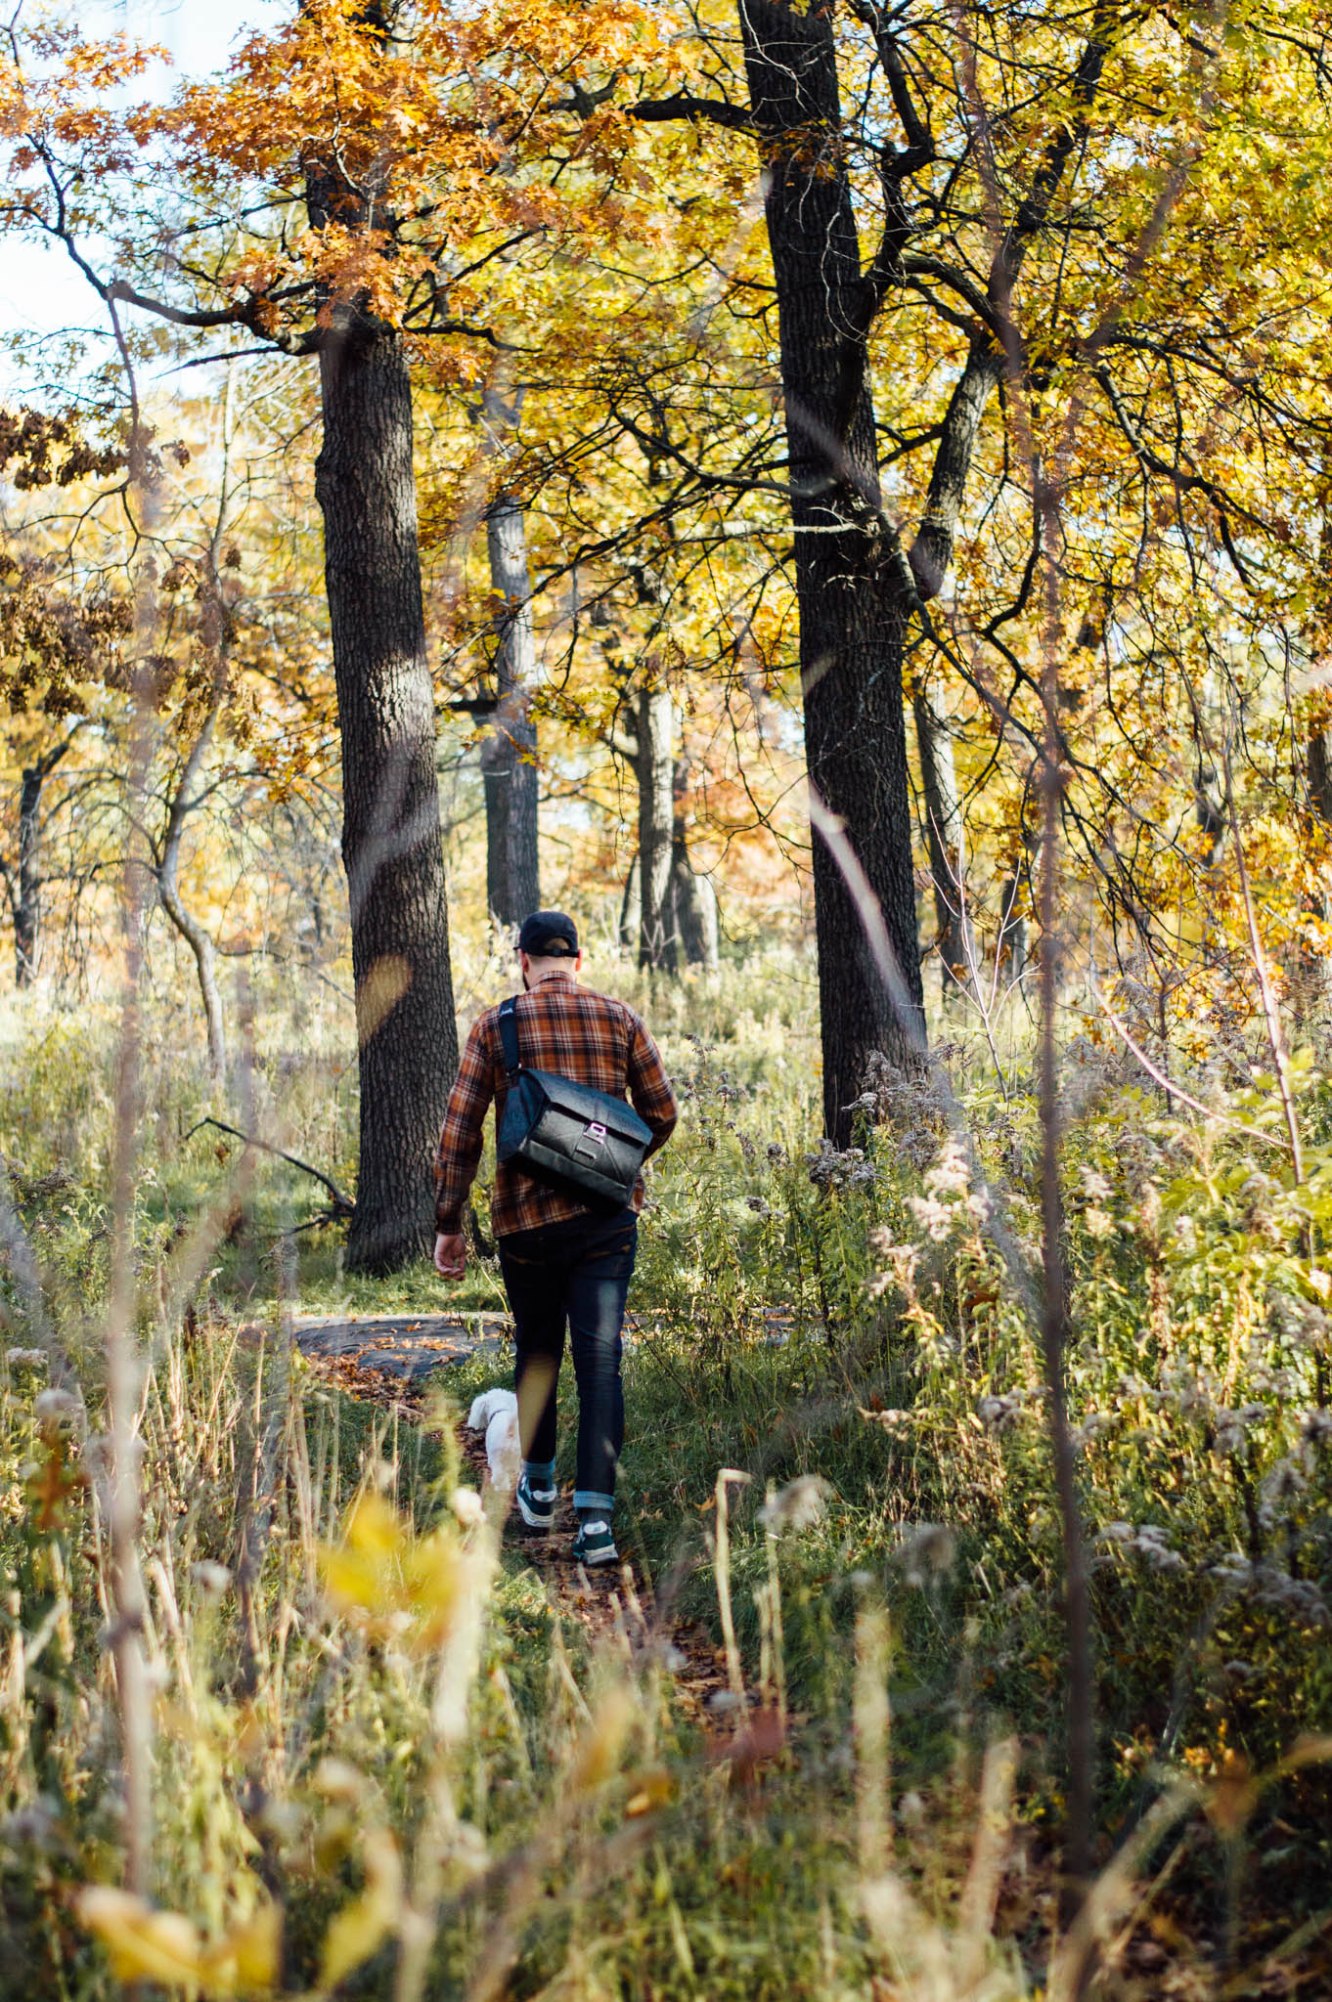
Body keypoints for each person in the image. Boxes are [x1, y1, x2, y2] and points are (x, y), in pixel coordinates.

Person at [433, 910, 678, 1566]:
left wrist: (449, 1224)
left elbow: (460, 1132)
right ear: (578, 958)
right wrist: (616, 1162)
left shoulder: (497, 1024)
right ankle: (596, 1524)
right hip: (606, 1222)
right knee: (601, 1363)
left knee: (538, 1356)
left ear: (523, 961)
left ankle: (537, 1495)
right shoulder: (619, 1018)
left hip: (526, 1226)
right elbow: (662, 1111)